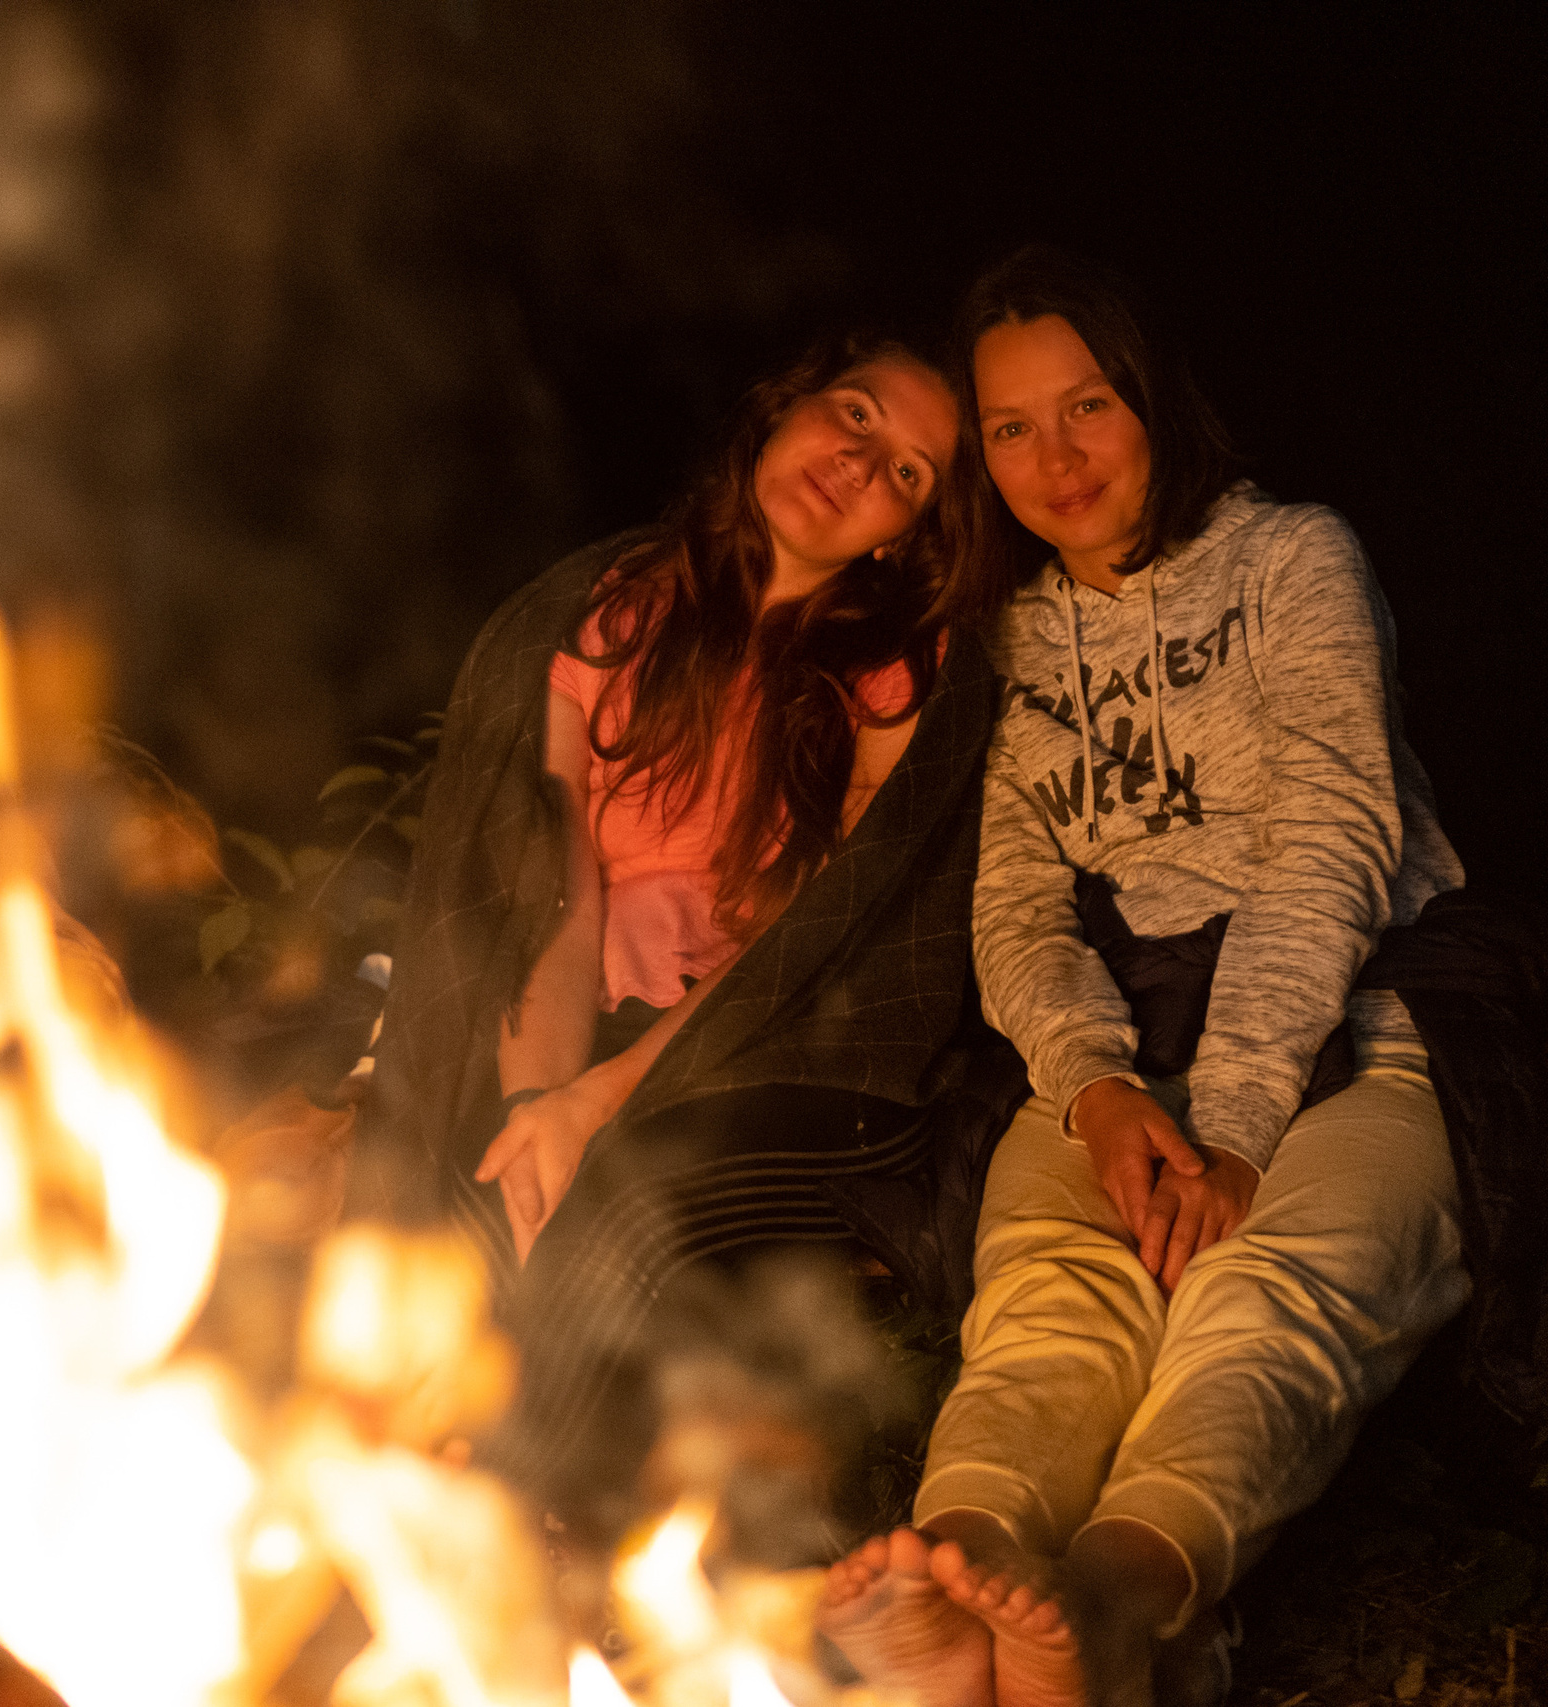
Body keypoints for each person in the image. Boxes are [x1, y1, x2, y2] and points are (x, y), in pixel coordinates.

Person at [817, 247, 1468, 1707]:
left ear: (1154, 397)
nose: (1057, 457)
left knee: (1260, 1291)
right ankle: (961, 1571)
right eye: (1010, 427)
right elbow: (1016, 902)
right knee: (1051, 1286)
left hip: (1362, 1019)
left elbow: (1335, 836)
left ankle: (1111, 1601)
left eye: (1089, 404)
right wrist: (1101, 1091)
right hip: (1130, 1033)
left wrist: (1234, 1122)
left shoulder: (1293, 557)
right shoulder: (1023, 635)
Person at [357, 333, 1017, 1522]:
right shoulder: (612, 611)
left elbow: (809, 939)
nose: (864, 466)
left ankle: (503, 1526)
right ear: (782, 411)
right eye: (854, 417)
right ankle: (377, 1499)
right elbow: (552, 898)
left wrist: (601, 1105)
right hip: (586, 1010)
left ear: (905, 537)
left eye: (912, 474)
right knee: (461, 1212)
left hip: (762, 1045)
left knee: (610, 1225)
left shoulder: (886, 671)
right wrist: (534, 1109)